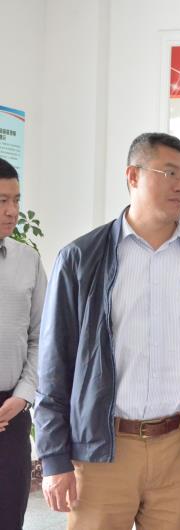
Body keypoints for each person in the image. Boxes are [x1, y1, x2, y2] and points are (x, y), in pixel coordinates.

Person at [35, 132, 180, 530]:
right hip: (102, 449)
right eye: (169, 173)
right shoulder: (81, 258)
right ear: (132, 175)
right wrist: (54, 457)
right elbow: (54, 364)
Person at [0, 158, 47, 530]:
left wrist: (24, 395)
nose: (12, 211)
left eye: (16, 200)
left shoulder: (28, 260)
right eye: (2, 201)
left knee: (9, 515)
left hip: (12, 411)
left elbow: (41, 336)